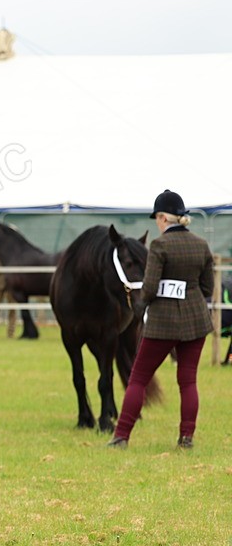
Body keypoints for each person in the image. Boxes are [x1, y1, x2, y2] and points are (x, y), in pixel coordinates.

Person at [108, 190, 215, 449]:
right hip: (195, 321)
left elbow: (151, 285)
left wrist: (140, 304)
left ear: (164, 218)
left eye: (157, 217)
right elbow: (207, 288)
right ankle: (186, 437)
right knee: (188, 380)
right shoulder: (201, 245)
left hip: (162, 322)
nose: (156, 222)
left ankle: (121, 436)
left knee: (138, 378)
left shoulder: (159, 245)